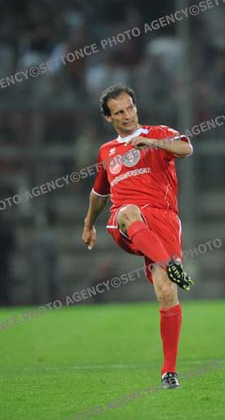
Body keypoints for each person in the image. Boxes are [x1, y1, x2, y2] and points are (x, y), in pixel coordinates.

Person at [81, 85, 193, 390]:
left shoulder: (158, 133)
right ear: (108, 118)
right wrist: (89, 224)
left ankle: (169, 372)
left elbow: (186, 149)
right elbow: (99, 194)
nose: (127, 115)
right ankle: (169, 263)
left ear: (135, 106)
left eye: (130, 108)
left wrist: (153, 143)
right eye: (119, 112)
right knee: (128, 212)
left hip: (162, 219)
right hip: (125, 220)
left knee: (166, 292)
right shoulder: (106, 151)